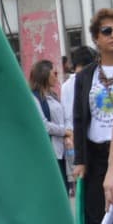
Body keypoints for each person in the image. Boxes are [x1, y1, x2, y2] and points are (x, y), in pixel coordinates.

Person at [66, 9, 113, 224]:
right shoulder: (86, 76)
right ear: (96, 38)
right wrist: (80, 160)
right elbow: (79, 117)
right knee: (106, 222)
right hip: (98, 154)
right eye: (107, 31)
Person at [29, 59, 71, 194]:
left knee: (64, 189)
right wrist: (65, 131)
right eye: (55, 73)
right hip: (49, 152)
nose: (57, 76)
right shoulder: (34, 98)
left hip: (62, 151)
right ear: (45, 74)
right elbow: (44, 125)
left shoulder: (53, 95)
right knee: (55, 190)